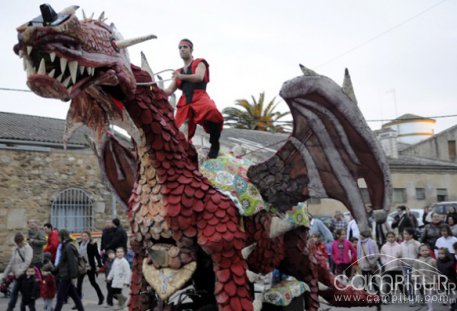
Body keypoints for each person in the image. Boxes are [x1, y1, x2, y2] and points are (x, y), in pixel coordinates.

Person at [164, 38, 224, 159]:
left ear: (191, 49)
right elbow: (169, 91)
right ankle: (187, 156)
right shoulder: (178, 71)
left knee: (212, 111)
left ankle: (214, 143)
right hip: (185, 101)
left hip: (199, 96)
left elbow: (199, 77)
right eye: (180, 48)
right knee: (177, 131)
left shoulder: (199, 62)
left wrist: (181, 76)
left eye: (185, 47)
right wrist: (152, 89)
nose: (182, 49)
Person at [53, 229, 84, 311]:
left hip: (67, 275)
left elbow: (72, 262)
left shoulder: (68, 246)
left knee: (60, 297)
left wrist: (73, 276)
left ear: (62, 236)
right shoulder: (64, 245)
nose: (57, 238)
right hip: (65, 274)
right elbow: (61, 262)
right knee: (74, 295)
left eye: (58, 236)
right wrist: (53, 270)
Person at [3, 232, 33, 311]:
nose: (18, 244)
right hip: (17, 276)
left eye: (19, 242)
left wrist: (19, 272)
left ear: (22, 240)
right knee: (14, 294)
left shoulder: (28, 248)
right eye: (17, 242)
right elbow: (11, 263)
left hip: (25, 276)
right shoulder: (16, 249)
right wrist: (5, 275)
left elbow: (27, 262)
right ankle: (10, 308)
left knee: (27, 297)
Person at [76, 231, 104, 305]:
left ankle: (101, 297)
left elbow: (97, 255)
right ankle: (78, 302)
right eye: (83, 236)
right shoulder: (80, 244)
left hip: (90, 266)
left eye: (85, 236)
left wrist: (99, 265)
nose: (84, 237)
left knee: (93, 283)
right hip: (82, 266)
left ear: (89, 236)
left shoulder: (92, 244)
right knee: (79, 283)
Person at [400, 227, 421, 306]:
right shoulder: (401, 244)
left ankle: (422, 296)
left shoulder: (416, 243)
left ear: (411, 235)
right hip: (406, 266)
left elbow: (420, 253)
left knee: (418, 282)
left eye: (406, 234)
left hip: (416, 266)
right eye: (404, 234)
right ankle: (412, 298)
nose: (404, 235)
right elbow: (400, 254)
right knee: (409, 282)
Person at [380, 232, 402, 303]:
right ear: (386, 238)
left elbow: (401, 256)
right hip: (388, 268)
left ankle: (407, 295)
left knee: (397, 283)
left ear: (395, 237)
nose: (390, 238)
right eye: (389, 237)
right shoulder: (384, 247)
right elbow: (382, 256)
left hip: (397, 269)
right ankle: (386, 298)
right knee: (388, 283)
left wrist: (399, 262)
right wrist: (385, 262)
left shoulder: (399, 246)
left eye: (392, 237)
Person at [413, 244, 436, 310]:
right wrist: (414, 277)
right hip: (421, 281)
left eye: (426, 250)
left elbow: (436, 270)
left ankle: (431, 307)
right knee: (425, 295)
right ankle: (428, 305)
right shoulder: (417, 261)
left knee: (430, 294)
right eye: (422, 250)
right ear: (419, 252)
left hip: (431, 280)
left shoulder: (433, 260)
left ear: (429, 251)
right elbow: (414, 270)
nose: (425, 252)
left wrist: (437, 279)